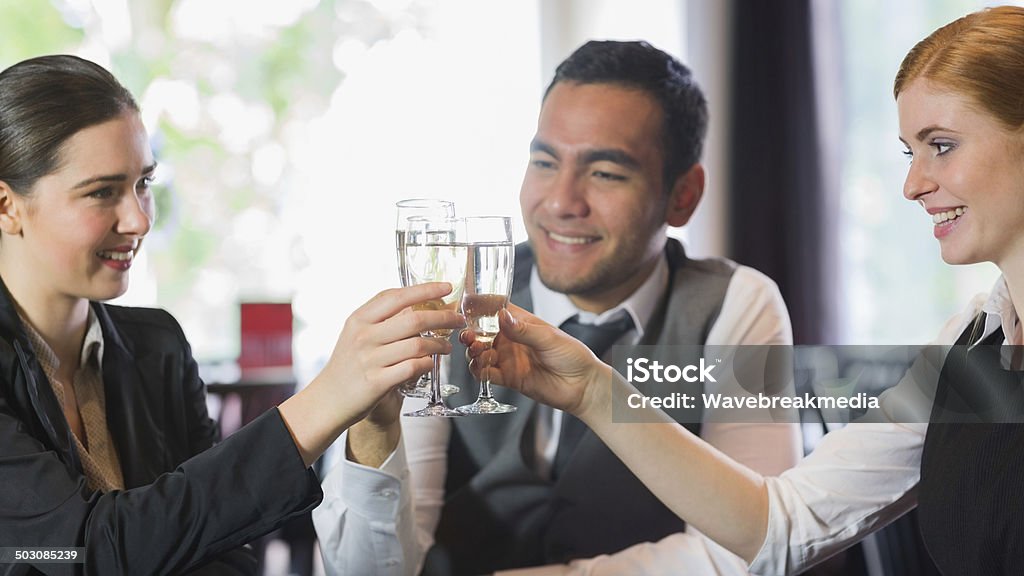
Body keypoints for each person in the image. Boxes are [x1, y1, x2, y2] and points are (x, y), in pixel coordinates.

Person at [465, 6, 1024, 576]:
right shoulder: (970, 346)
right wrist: (591, 391)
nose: (912, 185)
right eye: (911, 152)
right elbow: (783, 525)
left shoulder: (738, 299)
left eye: (943, 145)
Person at [314, 41, 802, 575]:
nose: (561, 202)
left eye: (607, 173)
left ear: (682, 195)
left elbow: (752, 552)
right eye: (545, 162)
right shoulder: (451, 296)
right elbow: (368, 571)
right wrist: (371, 431)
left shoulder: (734, 304)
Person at [0, 54, 464, 575]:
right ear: (6, 205)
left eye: (143, 185)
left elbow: (225, 552)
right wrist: (328, 399)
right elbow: (80, 551)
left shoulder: (157, 346)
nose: (139, 219)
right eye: (102, 192)